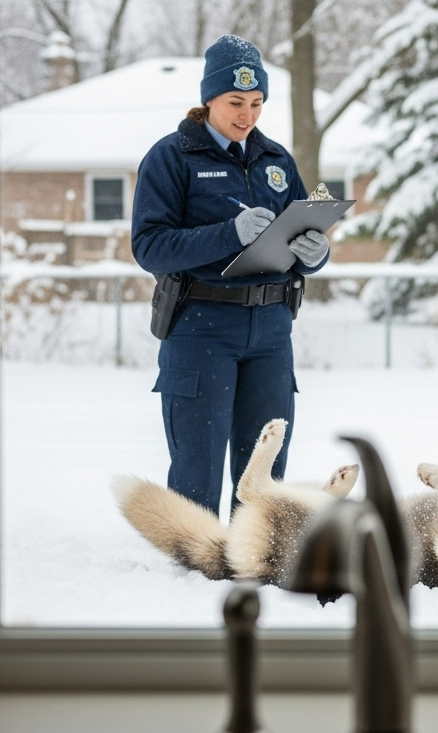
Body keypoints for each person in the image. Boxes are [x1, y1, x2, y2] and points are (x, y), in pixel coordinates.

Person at [131, 34, 330, 516]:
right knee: (196, 473)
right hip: (201, 328)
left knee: (263, 471)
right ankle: (192, 575)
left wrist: (315, 252)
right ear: (209, 99)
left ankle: (257, 560)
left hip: (270, 332)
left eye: (257, 103)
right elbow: (149, 246)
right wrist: (229, 233)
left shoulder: (276, 160)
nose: (247, 115)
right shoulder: (172, 157)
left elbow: (300, 230)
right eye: (236, 102)